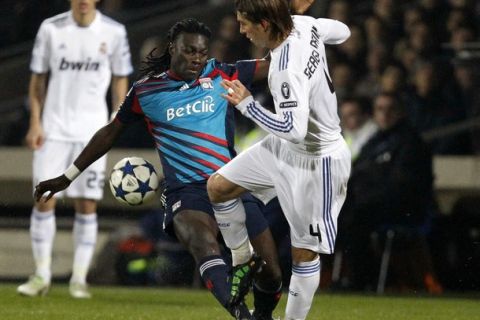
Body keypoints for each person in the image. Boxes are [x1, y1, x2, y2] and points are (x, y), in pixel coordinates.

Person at [33, 18, 284, 320]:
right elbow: (110, 132)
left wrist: (286, 25)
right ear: (172, 48)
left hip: (230, 183)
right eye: (189, 51)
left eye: (202, 53)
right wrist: (67, 176)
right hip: (185, 192)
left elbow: (274, 65)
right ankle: (242, 315)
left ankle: (263, 316)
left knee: (270, 272)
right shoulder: (145, 91)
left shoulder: (223, 73)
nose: (197, 59)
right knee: (202, 244)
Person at [206, 1, 351, 319]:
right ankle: (242, 258)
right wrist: (314, 30)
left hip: (318, 160)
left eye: (245, 24)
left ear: (265, 25)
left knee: (304, 253)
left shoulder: (284, 68)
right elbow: (342, 31)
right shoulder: (304, 24)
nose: (242, 31)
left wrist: (247, 104)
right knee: (218, 187)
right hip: (284, 150)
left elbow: (294, 129)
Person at [17, 0, 132, 299]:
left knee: (87, 205)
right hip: (53, 131)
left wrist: (114, 121)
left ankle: (78, 279)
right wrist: (35, 123)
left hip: (91, 133)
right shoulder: (51, 29)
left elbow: (121, 78)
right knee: (43, 199)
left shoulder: (114, 32)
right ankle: (41, 273)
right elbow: (38, 78)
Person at [344, 92, 443, 293]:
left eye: (390, 109)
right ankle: (346, 277)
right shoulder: (374, 142)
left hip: (402, 209)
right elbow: (356, 172)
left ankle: (362, 281)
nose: (385, 114)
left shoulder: (410, 142)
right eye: (380, 109)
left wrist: (363, 197)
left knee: (353, 218)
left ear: (401, 112)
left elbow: (401, 186)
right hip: (372, 204)